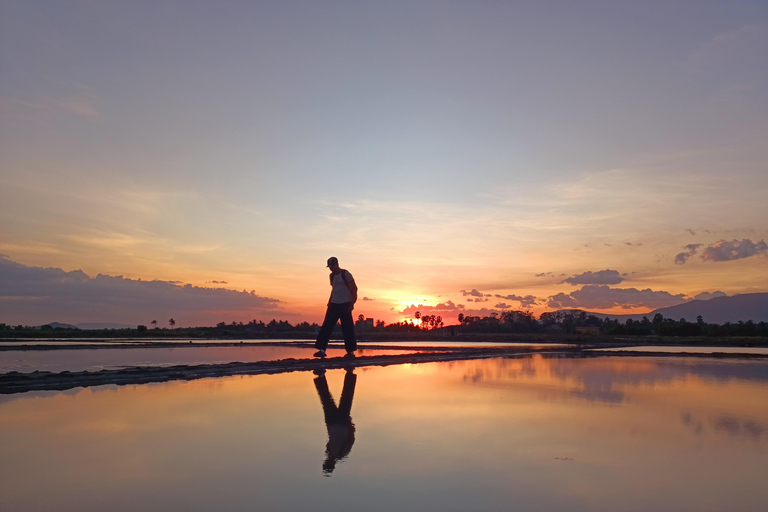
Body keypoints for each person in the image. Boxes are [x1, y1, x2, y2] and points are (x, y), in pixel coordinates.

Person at [313, 368, 357, 475]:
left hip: (332, 424)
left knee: (326, 400)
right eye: (327, 463)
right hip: (342, 424)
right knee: (346, 398)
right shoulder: (341, 454)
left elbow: (332, 438)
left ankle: (321, 377)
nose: (327, 461)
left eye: (326, 463)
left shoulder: (329, 452)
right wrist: (351, 426)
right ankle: (350, 374)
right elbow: (351, 440)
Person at [314, 256, 357, 358]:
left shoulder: (345, 274)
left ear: (337, 264)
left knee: (347, 328)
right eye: (329, 266)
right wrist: (329, 302)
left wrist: (352, 304)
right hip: (334, 304)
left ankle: (350, 352)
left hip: (345, 303)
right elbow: (334, 289)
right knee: (326, 327)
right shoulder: (331, 276)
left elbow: (354, 289)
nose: (330, 268)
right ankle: (322, 350)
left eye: (332, 266)